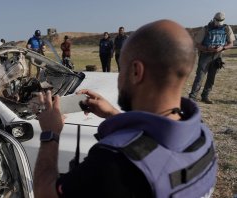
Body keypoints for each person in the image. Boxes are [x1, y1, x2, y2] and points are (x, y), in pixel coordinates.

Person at [33, 20, 217, 198]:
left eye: (122, 69)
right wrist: (112, 115)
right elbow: (156, 143)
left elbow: (44, 192)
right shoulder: (202, 136)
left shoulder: (115, 162)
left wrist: (50, 133)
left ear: (137, 71)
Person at [188, 12, 235, 104]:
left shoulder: (226, 28)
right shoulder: (205, 29)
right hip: (205, 55)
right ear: (214, 19)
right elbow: (197, 44)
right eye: (217, 20)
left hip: (218, 56)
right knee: (200, 77)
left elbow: (231, 43)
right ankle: (192, 97)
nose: (219, 22)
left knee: (211, 78)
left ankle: (205, 96)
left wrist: (223, 48)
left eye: (221, 20)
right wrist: (207, 48)